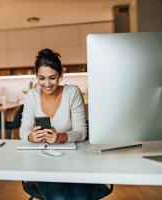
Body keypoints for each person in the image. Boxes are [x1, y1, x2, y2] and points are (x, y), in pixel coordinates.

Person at [20, 49, 111, 200]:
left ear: (60, 75)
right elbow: (23, 131)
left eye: (52, 78)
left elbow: (82, 132)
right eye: (41, 78)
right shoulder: (32, 96)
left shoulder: (72, 92)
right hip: (43, 164)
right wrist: (31, 136)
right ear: (36, 76)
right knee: (60, 198)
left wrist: (60, 137)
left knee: (81, 197)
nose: (47, 84)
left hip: (76, 163)